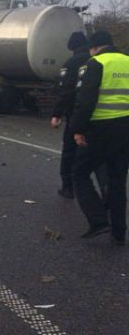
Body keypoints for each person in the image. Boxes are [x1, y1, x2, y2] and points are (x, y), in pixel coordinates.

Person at [70, 30, 129, 244]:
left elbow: (85, 101)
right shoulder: (127, 61)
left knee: (79, 173)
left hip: (100, 128)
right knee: (117, 179)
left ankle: (98, 220)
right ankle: (119, 231)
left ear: (94, 47)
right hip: (124, 127)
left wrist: (78, 129)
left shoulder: (95, 64)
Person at [50, 32, 107, 199]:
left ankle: (67, 187)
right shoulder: (103, 62)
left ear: (72, 47)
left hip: (77, 115)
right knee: (99, 156)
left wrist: (57, 114)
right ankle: (106, 187)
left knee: (70, 152)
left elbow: (66, 91)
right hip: (103, 117)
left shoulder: (72, 62)